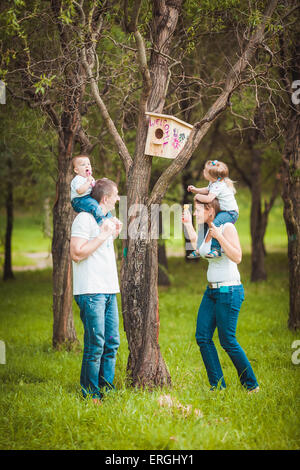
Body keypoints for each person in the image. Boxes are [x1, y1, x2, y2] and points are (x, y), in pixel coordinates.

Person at [182, 198, 259, 393]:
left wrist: (220, 237)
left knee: (227, 340)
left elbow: (238, 257)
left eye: (198, 210)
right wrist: (187, 225)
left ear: (210, 209)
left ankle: (252, 386)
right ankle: (218, 386)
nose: (195, 213)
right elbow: (199, 249)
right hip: (212, 291)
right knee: (202, 336)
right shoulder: (207, 230)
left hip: (229, 290)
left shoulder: (226, 227)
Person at [70, 178, 122, 404]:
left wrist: (113, 231)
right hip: (91, 291)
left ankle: (106, 389)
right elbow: (77, 253)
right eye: (116, 195)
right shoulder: (84, 219)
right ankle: (90, 393)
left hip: (109, 289)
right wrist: (102, 235)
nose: (119, 198)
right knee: (96, 343)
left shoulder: (106, 219)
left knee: (112, 342)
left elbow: (103, 247)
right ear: (106, 198)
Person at [187, 160, 239, 259]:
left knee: (215, 224)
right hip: (224, 211)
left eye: (205, 171)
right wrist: (196, 190)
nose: (203, 171)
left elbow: (208, 198)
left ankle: (216, 249)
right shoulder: (214, 182)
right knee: (203, 225)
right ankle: (199, 249)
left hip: (230, 213)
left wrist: (197, 196)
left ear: (212, 176)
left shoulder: (218, 185)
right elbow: (207, 190)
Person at [71, 155, 112, 226]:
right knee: (93, 205)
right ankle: (102, 222)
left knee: (103, 204)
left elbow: (94, 186)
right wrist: (88, 182)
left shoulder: (90, 178)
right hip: (79, 200)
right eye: (83, 165)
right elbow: (79, 191)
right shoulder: (78, 179)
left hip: (89, 198)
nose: (87, 166)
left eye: (88, 164)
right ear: (76, 170)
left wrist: (101, 181)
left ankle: (110, 219)